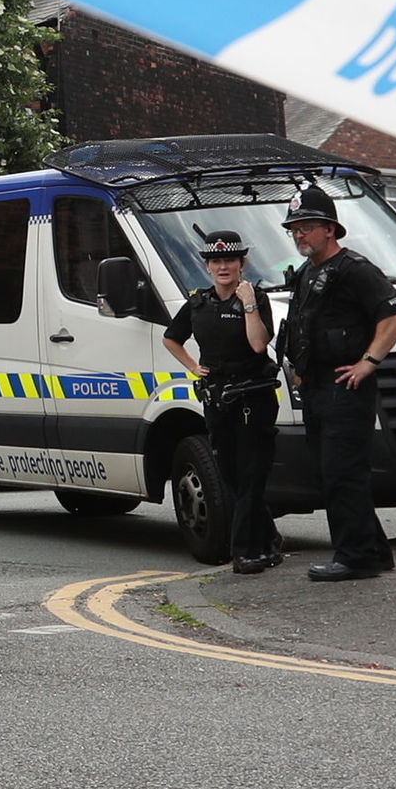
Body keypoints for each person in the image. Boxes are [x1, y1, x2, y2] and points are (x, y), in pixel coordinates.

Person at [273, 186, 396, 582]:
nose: (300, 235)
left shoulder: (354, 269)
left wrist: (368, 362)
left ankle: (355, 557)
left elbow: (395, 314)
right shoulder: (306, 274)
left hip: (345, 389)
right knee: (333, 471)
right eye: (294, 229)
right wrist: (299, 367)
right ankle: (374, 550)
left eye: (307, 227)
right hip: (316, 387)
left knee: (342, 472)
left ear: (330, 228)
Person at [162, 230, 283, 573]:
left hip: (252, 399)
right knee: (230, 475)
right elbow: (171, 338)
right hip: (217, 400)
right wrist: (192, 367)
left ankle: (244, 551)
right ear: (207, 266)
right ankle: (269, 540)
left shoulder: (255, 298)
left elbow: (258, 344)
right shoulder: (199, 303)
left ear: (242, 264)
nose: (223, 266)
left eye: (230, 260)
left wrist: (247, 304)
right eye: (216, 261)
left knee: (251, 473)